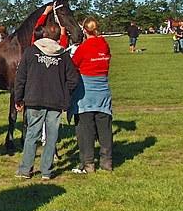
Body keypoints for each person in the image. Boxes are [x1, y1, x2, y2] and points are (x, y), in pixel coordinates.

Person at [14, 23, 79, 180]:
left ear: (43, 34)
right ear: (58, 36)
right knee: (51, 137)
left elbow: (20, 77)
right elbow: (73, 79)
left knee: (32, 134)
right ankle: (46, 171)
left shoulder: (30, 52)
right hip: (55, 101)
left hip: (34, 99)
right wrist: (65, 94)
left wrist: (18, 97)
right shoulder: (63, 55)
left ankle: (25, 170)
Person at [69, 18, 113, 173]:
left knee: (85, 130)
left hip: (85, 93)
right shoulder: (104, 45)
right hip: (103, 91)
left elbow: (73, 65)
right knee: (105, 129)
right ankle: (106, 162)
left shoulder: (83, 47)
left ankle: (88, 163)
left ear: (84, 30)